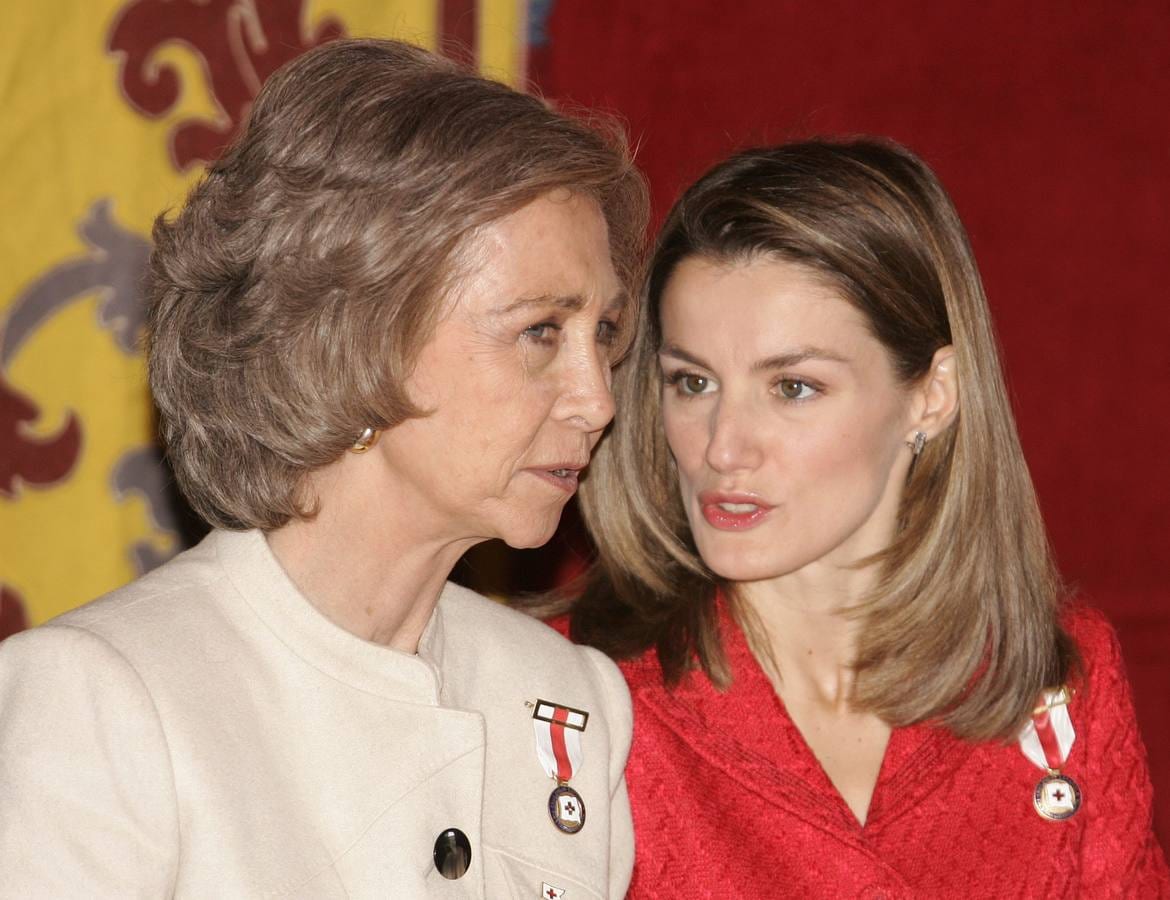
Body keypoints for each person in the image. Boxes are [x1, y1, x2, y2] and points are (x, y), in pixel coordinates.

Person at [0, 38, 647, 898]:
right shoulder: (106, 699)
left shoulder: (568, 700)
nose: (596, 398)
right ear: (355, 338)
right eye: (540, 332)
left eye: (603, 333)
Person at [566, 139, 1170, 896]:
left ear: (932, 394)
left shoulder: (1056, 683)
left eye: (792, 388)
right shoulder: (575, 697)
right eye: (692, 382)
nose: (723, 448)